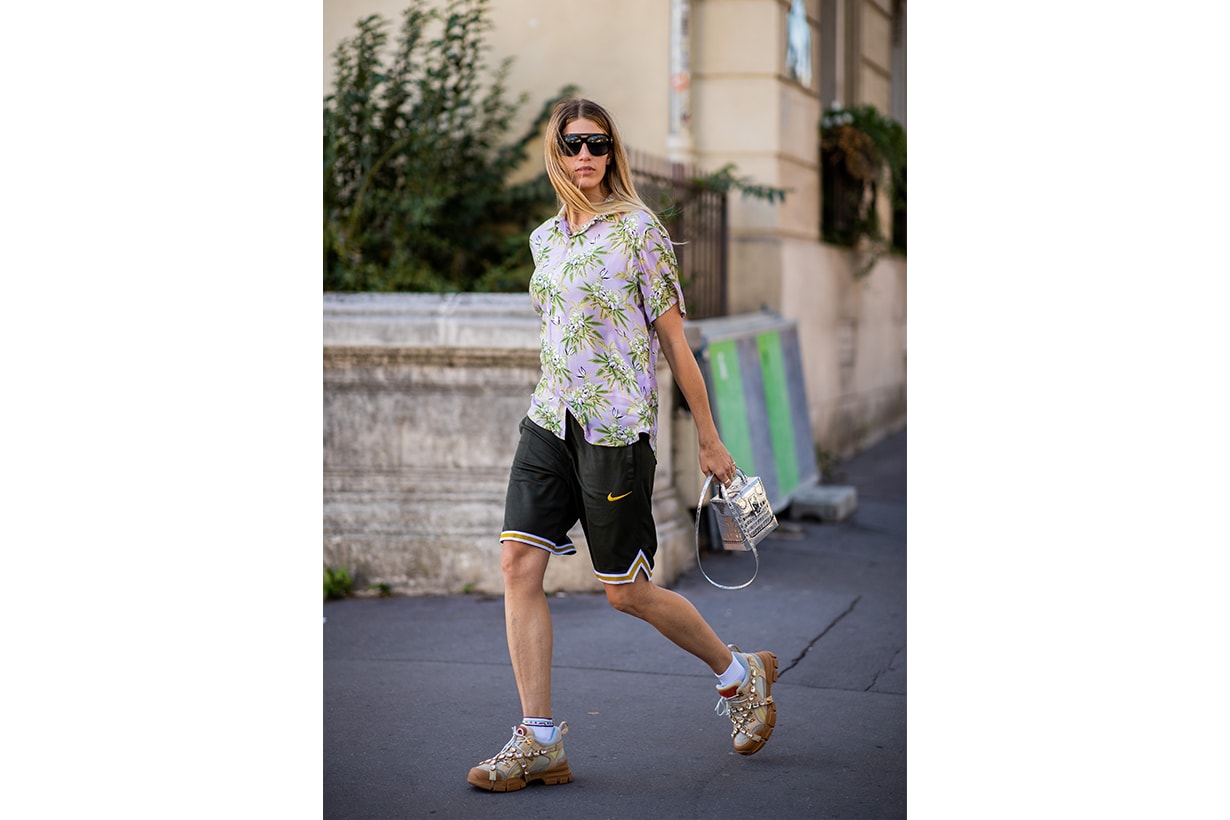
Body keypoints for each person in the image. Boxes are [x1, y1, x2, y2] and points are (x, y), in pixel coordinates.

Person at [466, 98, 778, 793]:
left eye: (598, 145)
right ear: (555, 151)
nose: (586, 156)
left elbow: (674, 341)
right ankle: (539, 739)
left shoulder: (640, 231)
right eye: (573, 143)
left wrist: (709, 436)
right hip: (550, 419)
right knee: (518, 563)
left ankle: (739, 675)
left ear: (613, 153)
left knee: (625, 592)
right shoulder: (545, 241)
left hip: (614, 429)